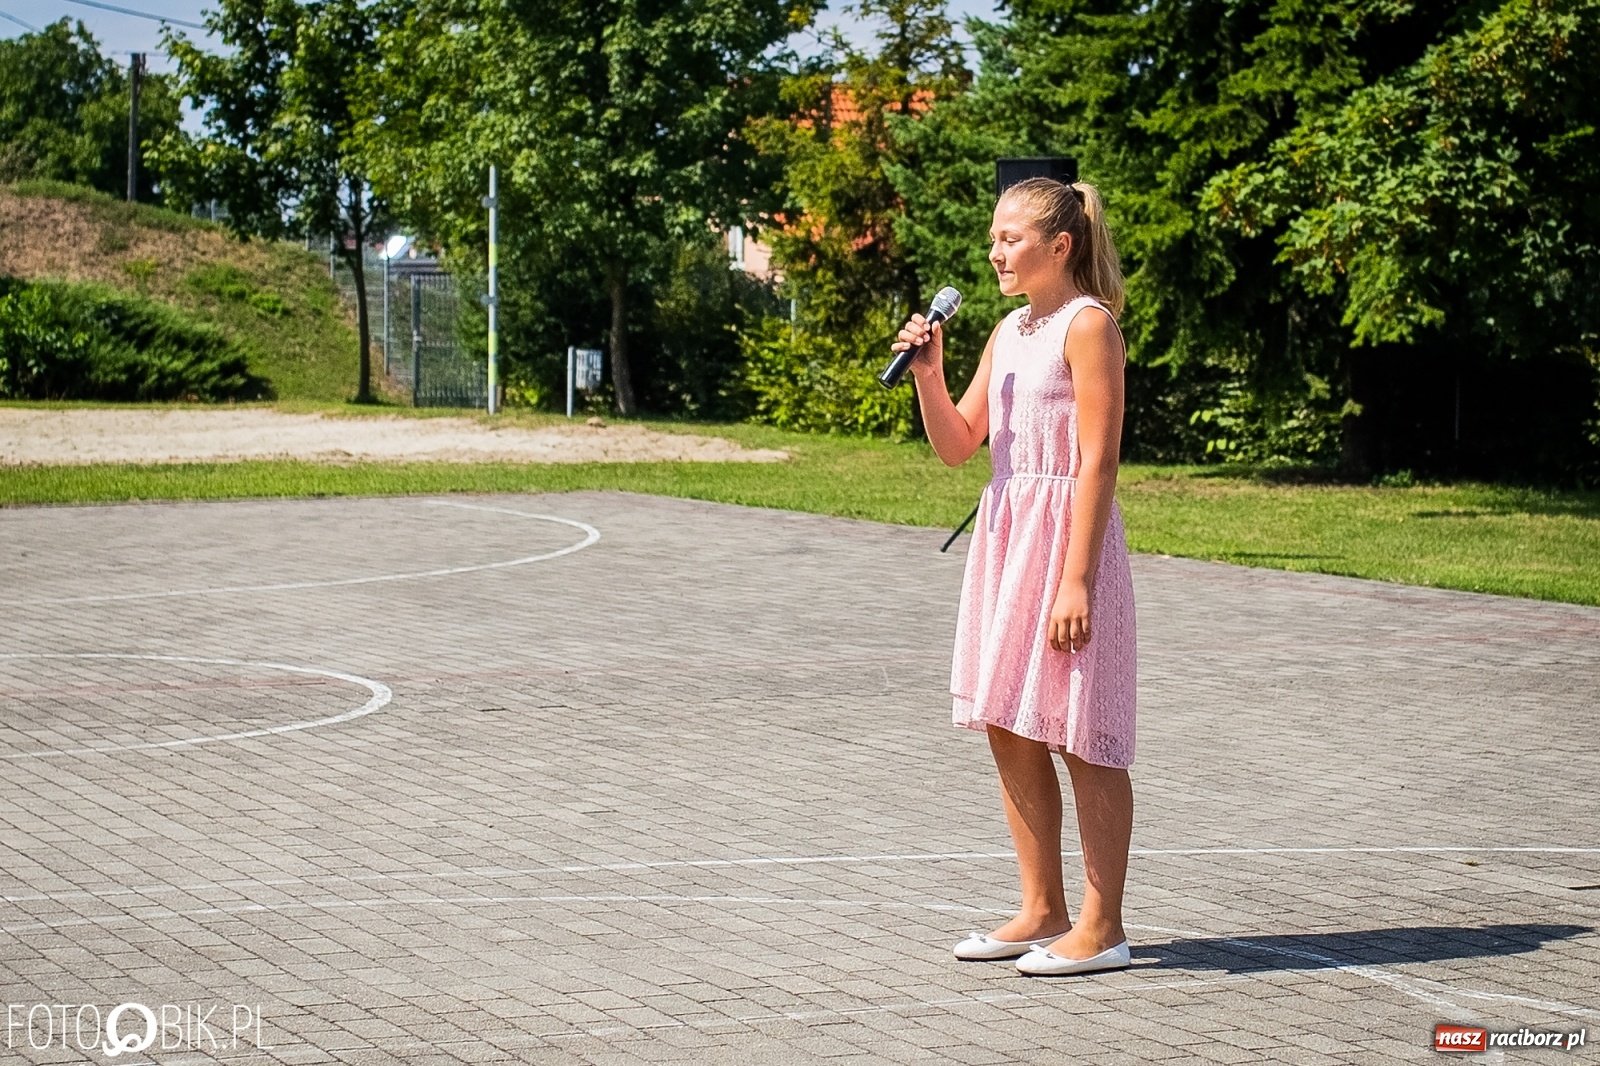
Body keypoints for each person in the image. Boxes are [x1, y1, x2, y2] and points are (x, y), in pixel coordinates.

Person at [893, 176, 1136, 977]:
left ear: (1058, 246)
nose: (995, 251)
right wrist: (929, 373)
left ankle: (1103, 929)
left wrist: (1078, 581)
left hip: (1066, 541)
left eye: (1010, 238)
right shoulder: (1008, 329)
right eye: (993, 238)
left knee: (1080, 731)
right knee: (1008, 718)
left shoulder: (1088, 325)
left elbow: (1098, 460)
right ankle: (1043, 907)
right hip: (1007, 539)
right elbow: (961, 444)